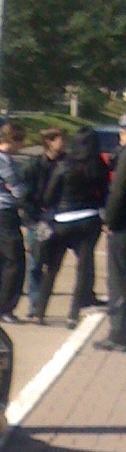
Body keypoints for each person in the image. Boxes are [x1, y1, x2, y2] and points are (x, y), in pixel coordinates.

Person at [30, 124, 109, 327]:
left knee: (53, 267)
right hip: (89, 219)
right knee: (83, 268)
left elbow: (48, 196)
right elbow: (105, 194)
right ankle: (73, 314)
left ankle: (40, 312)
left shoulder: (64, 165)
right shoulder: (98, 165)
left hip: (62, 219)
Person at [21, 128, 66, 317]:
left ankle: (41, 304)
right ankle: (35, 303)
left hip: (59, 218)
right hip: (38, 219)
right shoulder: (34, 165)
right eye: (61, 139)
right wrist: (35, 216)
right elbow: (25, 194)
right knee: (36, 262)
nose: (64, 143)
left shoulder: (67, 163)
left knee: (53, 263)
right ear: (49, 141)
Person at [0, 121, 27, 319]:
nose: (22, 146)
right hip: (4, 211)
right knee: (15, 259)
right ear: (13, 141)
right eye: (21, 142)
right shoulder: (5, 162)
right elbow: (18, 190)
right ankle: (6, 306)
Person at [97, 112, 126, 352]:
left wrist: (110, 221)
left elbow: (118, 193)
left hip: (123, 228)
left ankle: (118, 335)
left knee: (118, 280)